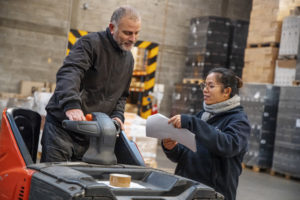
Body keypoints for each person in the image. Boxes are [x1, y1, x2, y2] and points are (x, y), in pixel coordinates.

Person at [41, 5, 141, 162]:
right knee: (55, 179)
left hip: (93, 135)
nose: (133, 39)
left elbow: (121, 94)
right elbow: (70, 72)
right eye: (127, 33)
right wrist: (72, 104)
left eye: (136, 33)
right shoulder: (90, 44)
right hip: (64, 129)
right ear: (112, 27)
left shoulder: (128, 59)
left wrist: (117, 115)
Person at [162, 67, 251, 200]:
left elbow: (228, 145)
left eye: (211, 86)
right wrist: (172, 148)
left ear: (227, 91)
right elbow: (186, 154)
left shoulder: (238, 121)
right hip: (188, 191)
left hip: (212, 194)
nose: (205, 89)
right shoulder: (203, 116)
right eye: (204, 85)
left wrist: (193, 123)